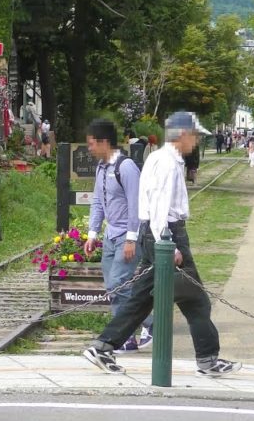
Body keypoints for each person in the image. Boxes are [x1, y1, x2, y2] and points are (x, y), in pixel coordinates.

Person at [83, 110, 242, 378]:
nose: (196, 142)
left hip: (153, 234)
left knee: (141, 299)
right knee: (197, 301)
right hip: (167, 234)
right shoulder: (167, 163)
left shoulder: (161, 159)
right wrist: (168, 245)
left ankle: (103, 346)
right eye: (194, 136)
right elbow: (159, 207)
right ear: (182, 135)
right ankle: (207, 360)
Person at [83, 119, 154, 353]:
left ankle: (152, 323)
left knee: (118, 282)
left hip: (128, 233)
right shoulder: (101, 168)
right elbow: (97, 201)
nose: (90, 148)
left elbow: (136, 204)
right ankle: (126, 338)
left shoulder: (126, 168)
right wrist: (92, 233)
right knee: (113, 287)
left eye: (92, 144)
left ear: (104, 142)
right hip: (110, 234)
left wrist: (132, 238)